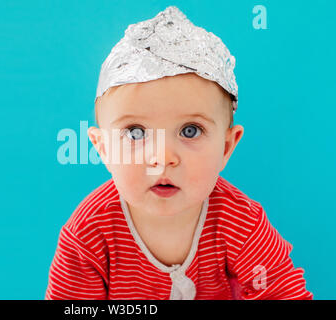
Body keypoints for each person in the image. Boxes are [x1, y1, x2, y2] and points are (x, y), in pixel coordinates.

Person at [45, 6, 313, 300]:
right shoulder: (88, 233)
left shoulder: (243, 225)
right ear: (104, 149)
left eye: (190, 130)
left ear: (226, 147)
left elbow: (284, 294)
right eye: (136, 132)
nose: (163, 157)